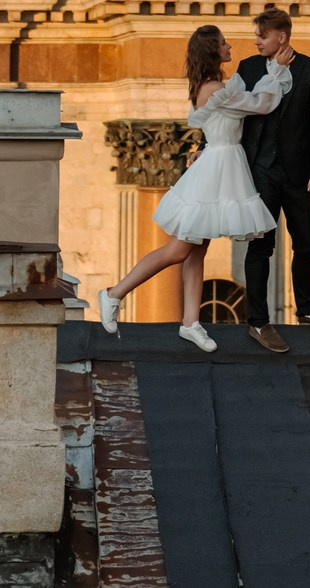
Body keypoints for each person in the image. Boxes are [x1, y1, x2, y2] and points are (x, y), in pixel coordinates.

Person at [98, 25, 293, 352]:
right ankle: (114, 293)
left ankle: (190, 322)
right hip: (217, 168)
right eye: (223, 44)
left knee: (197, 248)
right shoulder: (215, 88)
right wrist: (278, 69)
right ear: (211, 51)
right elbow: (261, 105)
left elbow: (218, 126)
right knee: (178, 249)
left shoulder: (213, 87)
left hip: (220, 162)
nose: (229, 47)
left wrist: (206, 148)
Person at [237, 7, 310, 353]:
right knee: (261, 245)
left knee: (307, 242)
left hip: (298, 173)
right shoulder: (248, 68)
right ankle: (258, 322)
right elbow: (232, 113)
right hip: (260, 171)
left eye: (261, 36)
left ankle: (307, 309)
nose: (256, 42)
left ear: (281, 37)